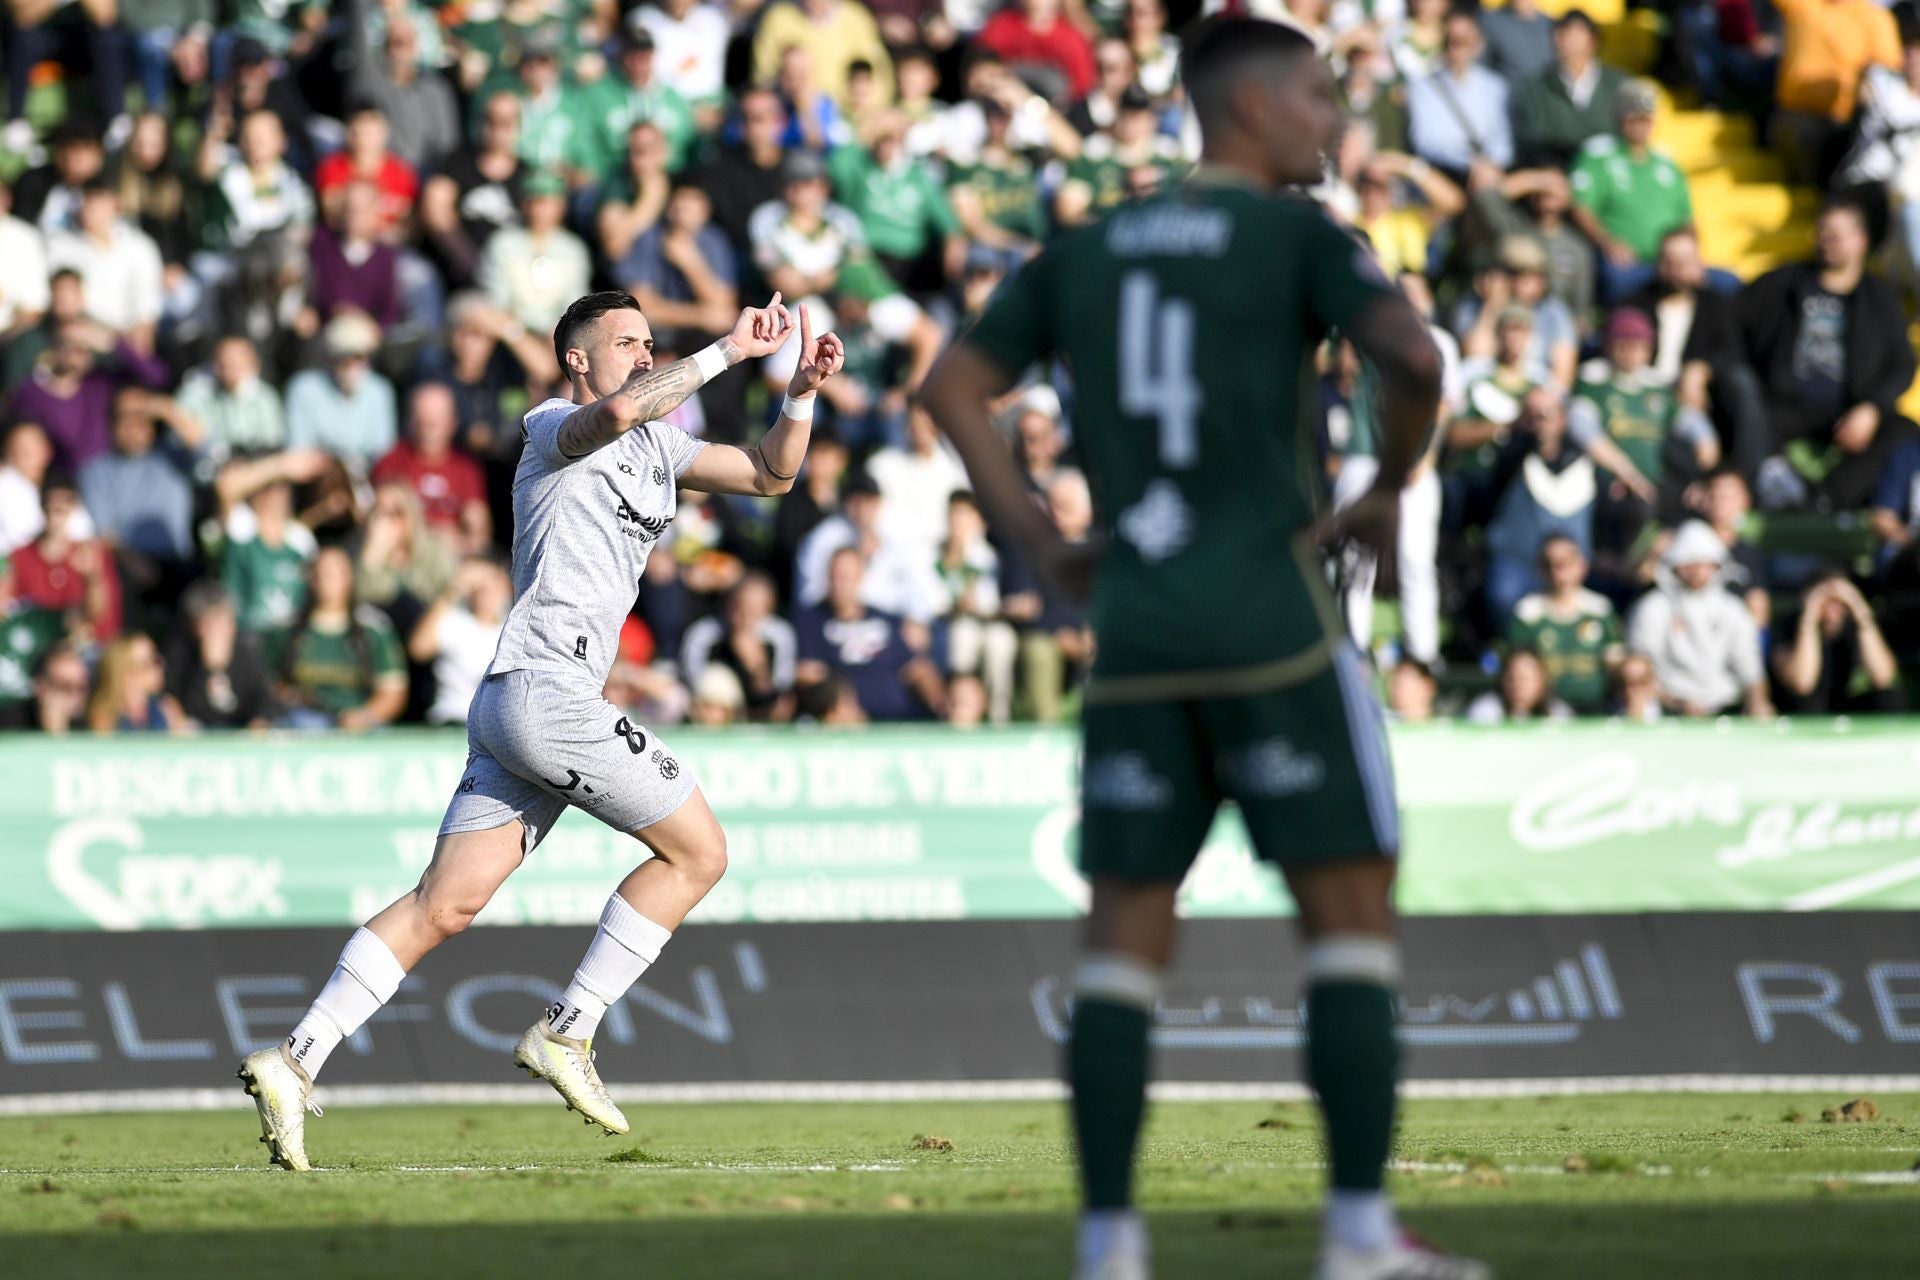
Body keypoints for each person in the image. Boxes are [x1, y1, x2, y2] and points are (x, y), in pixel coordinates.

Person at [920, 17, 1484, 1280]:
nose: (1337, 124)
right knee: (1348, 923)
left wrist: (1035, 539)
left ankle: (1110, 1245)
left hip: (1135, 635)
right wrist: (1390, 485)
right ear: (1253, 105)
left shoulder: (1088, 245)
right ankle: (1355, 1235)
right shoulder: (1298, 238)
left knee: (1122, 942)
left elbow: (952, 388)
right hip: (1276, 630)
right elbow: (1414, 356)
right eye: (1323, 97)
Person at [238, 287, 842, 1171]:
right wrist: (723, 353)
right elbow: (618, 412)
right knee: (700, 855)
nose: (643, 352)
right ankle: (569, 1030)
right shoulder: (552, 422)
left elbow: (769, 475)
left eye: (649, 340)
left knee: (445, 904)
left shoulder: (659, 446)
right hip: (551, 694)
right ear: (578, 358)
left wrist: (800, 394)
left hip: (518, 700)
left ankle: (294, 1059)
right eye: (626, 341)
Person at [1740, 194, 1917, 512]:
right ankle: (1763, 487)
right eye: (1822, 232)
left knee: (1903, 430)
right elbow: (1735, 324)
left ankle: (1825, 499)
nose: (1826, 241)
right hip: (1782, 406)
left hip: (1847, 412)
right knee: (1746, 405)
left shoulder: (1880, 299)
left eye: (1836, 235)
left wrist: (1872, 408)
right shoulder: (1784, 283)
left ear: (1860, 240)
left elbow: (1903, 364)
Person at [1569, 80, 1696, 304]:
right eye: (1634, 118)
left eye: (1645, 119)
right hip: (1626, 261)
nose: (1641, 125)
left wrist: (1691, 255)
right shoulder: (1599, 156)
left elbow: (1688, 220)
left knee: (1726, 282)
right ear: (1620, 119)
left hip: (1671, 262)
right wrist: (1608, 243)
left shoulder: (1666, 162)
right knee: (1621, 281)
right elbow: (1581, 208)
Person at [1627, 519, 1770, 717]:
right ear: (1675, 565)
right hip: (1668, 710)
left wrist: (1758, 702)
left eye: (1704, 564)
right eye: (1689, 564)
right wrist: (1678, 704)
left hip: (1725, 709)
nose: (1697, 572)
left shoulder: (1732, 609)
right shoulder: (1653, 607)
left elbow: (1750, 668)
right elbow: (1641, 667)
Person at [1506, 534, 1622, 714]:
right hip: (1545, 715)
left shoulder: (1600, 610)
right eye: (1550, 563)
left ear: (1582, 565)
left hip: (1595, 713)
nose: (1558, 570)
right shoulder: (1528, 613)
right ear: (1540, 568)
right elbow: (1517, 670)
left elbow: (1615, 668)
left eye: (1565, 562)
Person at [1512, 9, 1628, 171]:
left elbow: (1630, 135)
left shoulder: (1618, 84)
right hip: (1557, 172)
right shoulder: (1536, 88)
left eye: (1572, 31)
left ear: (1592, 41)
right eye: (1559, 32)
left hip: (1609, 171)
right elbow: (1534, 140)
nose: (1562, 38)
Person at [1772, 570, 1901, 713]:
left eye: (1840, 600)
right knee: (1807, 702)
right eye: (1828, 600)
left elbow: (1884, 677)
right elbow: (1802, 683)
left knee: (1891, 697)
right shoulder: (1787, 626)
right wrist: (1809, 620)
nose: (1834, 607)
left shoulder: (1854, 626)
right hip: (1800, 709)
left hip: (1840, 703)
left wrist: (1859, 608)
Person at [1406, 11, 1512, 181]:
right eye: (1451, 42)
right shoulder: (1422, 87)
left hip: (1487, 174)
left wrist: (1487, 165)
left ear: (1478, 44)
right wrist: (1469, 164)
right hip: (1444, 174)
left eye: (1464, 42)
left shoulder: (1494, 86)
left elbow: (1503, 145)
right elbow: (1425, 143)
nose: (1456, 49)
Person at [409, 555, 513, 726]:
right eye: (481, 588)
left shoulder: (514, 626)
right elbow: (419, 648)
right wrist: (454, 588)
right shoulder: (455, 621)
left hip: (499, 724)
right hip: (453, 718)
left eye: (495, 585)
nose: (489, 593)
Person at [165, 578, 280, 729]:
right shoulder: (180, 651)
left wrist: (258, 724)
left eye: (225, 621)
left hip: (241, 735)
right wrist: (208, 668)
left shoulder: (245, 651)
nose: (219, 631)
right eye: (210, 623)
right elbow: (182, 705)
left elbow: (265, 701)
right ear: (194, 624)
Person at [87, 632, 188, 733]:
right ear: (127, 672)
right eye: (153, 660)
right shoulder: (105, 719)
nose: (161, 663)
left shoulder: (167, 709)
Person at [1465, 647, 1572, 723]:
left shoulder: (1559, 715)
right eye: (1511, 677)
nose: (1518, 684)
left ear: (1542, 681)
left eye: (1526, 678)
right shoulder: (1485, 711)